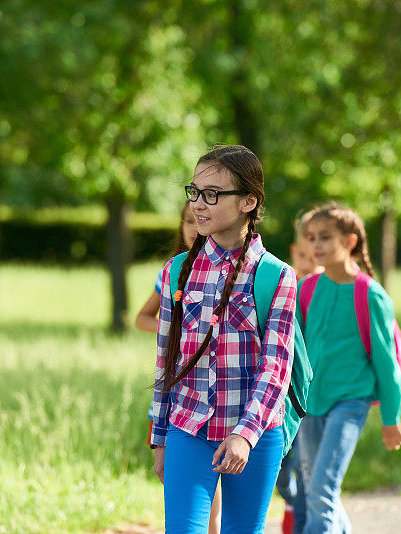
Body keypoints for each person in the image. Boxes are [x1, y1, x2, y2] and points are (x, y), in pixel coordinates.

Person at [150, 144, 297, 533]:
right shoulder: (176, 272)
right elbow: (167, 361)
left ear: (249, 201)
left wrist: (245, 436)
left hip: (256, 435)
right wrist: (160, 436)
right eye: (194, 192)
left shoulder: (276, 276)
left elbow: (277, 367)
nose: (199, 204)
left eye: (212, 195)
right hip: (188, 427)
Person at [297, 202, 401, 533]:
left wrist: (392, 418)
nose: (316, 245)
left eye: (325, 237)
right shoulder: (306, 288)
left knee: (321, 490)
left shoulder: (370, 295)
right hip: (309, 404)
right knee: (317, 490)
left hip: (351, 401)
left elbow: (387, 366)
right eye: (311, 237)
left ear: (350, 242)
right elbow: (295, 352)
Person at [135, 202, 223, 533]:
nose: (193, 226)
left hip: (222, 391)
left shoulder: (237, 269)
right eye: (187, 221)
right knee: (185, 489)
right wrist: (173, 329)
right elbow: (142, 317)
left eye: (197, 219)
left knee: (217, 496)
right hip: (178, 390)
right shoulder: (172, 271)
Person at [276, 214, 324, 534]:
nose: (309, 264)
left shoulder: (325, 291)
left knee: (308, 469)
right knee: (281, 472)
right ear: (294, 252)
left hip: (316, 399)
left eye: (315, 257)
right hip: (284, 398)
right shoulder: (284, 284)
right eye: (303, 256)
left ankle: (304, 522)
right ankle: (295, 504)